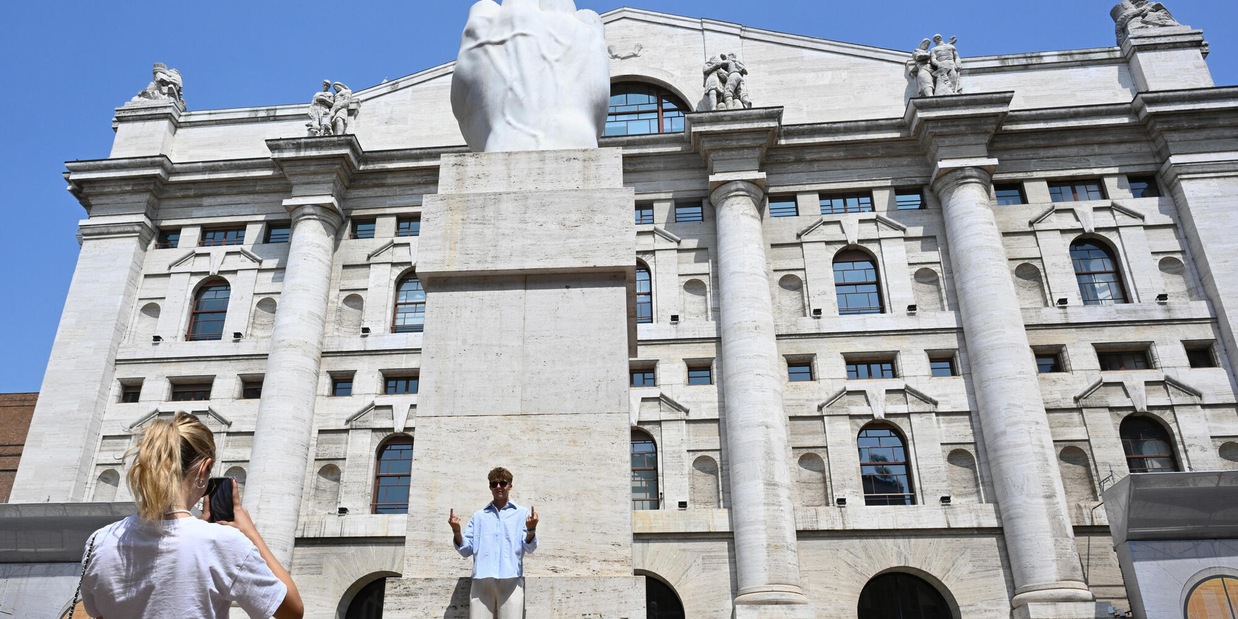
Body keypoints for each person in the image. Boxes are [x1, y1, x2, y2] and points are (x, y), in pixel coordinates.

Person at [78, 412, 304, 619]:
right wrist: (251, 534)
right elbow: (292, 612)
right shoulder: (224, 543)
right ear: (203, 469)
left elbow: (100, 614)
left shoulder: (99, 541)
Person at [449, 467, 539, 619]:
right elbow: (466, 550)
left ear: (510, 486)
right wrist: (456, 531)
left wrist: (531, 529)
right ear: (489, 487)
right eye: (494, 484)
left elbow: (529, 547)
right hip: (482, 578)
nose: (498, 487)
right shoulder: (479, 516)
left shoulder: (522, 514)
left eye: (503, 483)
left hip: (511, 578)